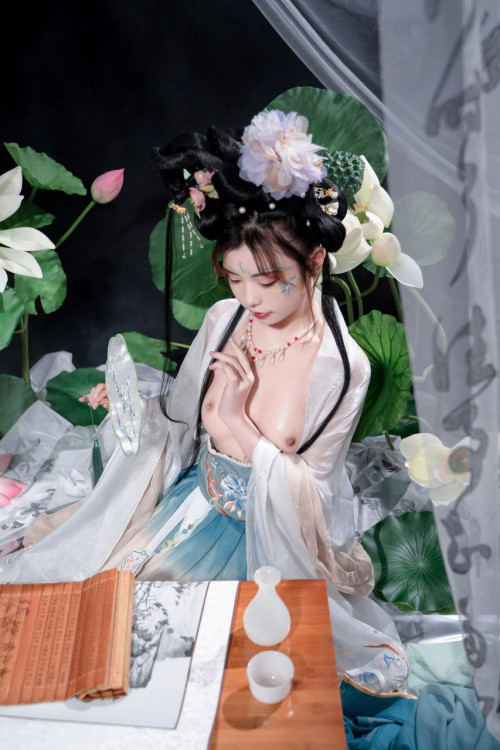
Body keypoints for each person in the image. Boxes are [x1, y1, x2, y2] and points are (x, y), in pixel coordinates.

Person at [0, 108, 409, 693]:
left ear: (315, 261)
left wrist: (235, 419)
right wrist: (129, 410)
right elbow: (177, 423)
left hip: (266, 543)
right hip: (190, 507)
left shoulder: (342, 368)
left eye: (267, 281)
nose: (250, 298)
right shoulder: (225, 318)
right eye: (235, 278)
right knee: (94, 638)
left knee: (195, 671)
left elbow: (313, 501)